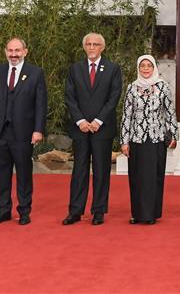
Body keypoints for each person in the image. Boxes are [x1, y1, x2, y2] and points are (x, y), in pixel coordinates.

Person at [0, 37, 48, 226]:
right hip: (0, 133)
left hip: (24, 133)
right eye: (10, 50)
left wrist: (38, 130)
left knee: (24, 173)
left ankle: (24, 211)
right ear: (5, 52)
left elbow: (40, 104)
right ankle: (3, 210)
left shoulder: (35, 73)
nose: (14, 54)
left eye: (17, 50)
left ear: (25, 52)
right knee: (2, 174)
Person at [63, 33, 123, 226]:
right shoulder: (75, 69)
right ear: (84, 47)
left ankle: (98, 211)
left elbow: (114, 97)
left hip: (102, 129)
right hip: (80, 128)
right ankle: (75, 211)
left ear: (102, 47)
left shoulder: (113, 69)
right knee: (79, 170)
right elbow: (69, 96)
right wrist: (80, 120)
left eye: (95, 44)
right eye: (88, 44)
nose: (91, 47)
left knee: (101, 170)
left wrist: (98, 121)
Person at [121, 55, 177, 225]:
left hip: (156, 139)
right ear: (138, 68)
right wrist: (124, 141)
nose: (145, 68)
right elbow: (126, 115)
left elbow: (170, 112)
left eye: (149, 65)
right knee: (136, 177)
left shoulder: (163, 87)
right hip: (136, 139)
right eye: (142, 66)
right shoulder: (132, 87)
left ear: (154, 68)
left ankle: (151, 213)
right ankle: (137, 214)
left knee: (153, 177)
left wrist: (174, 135)